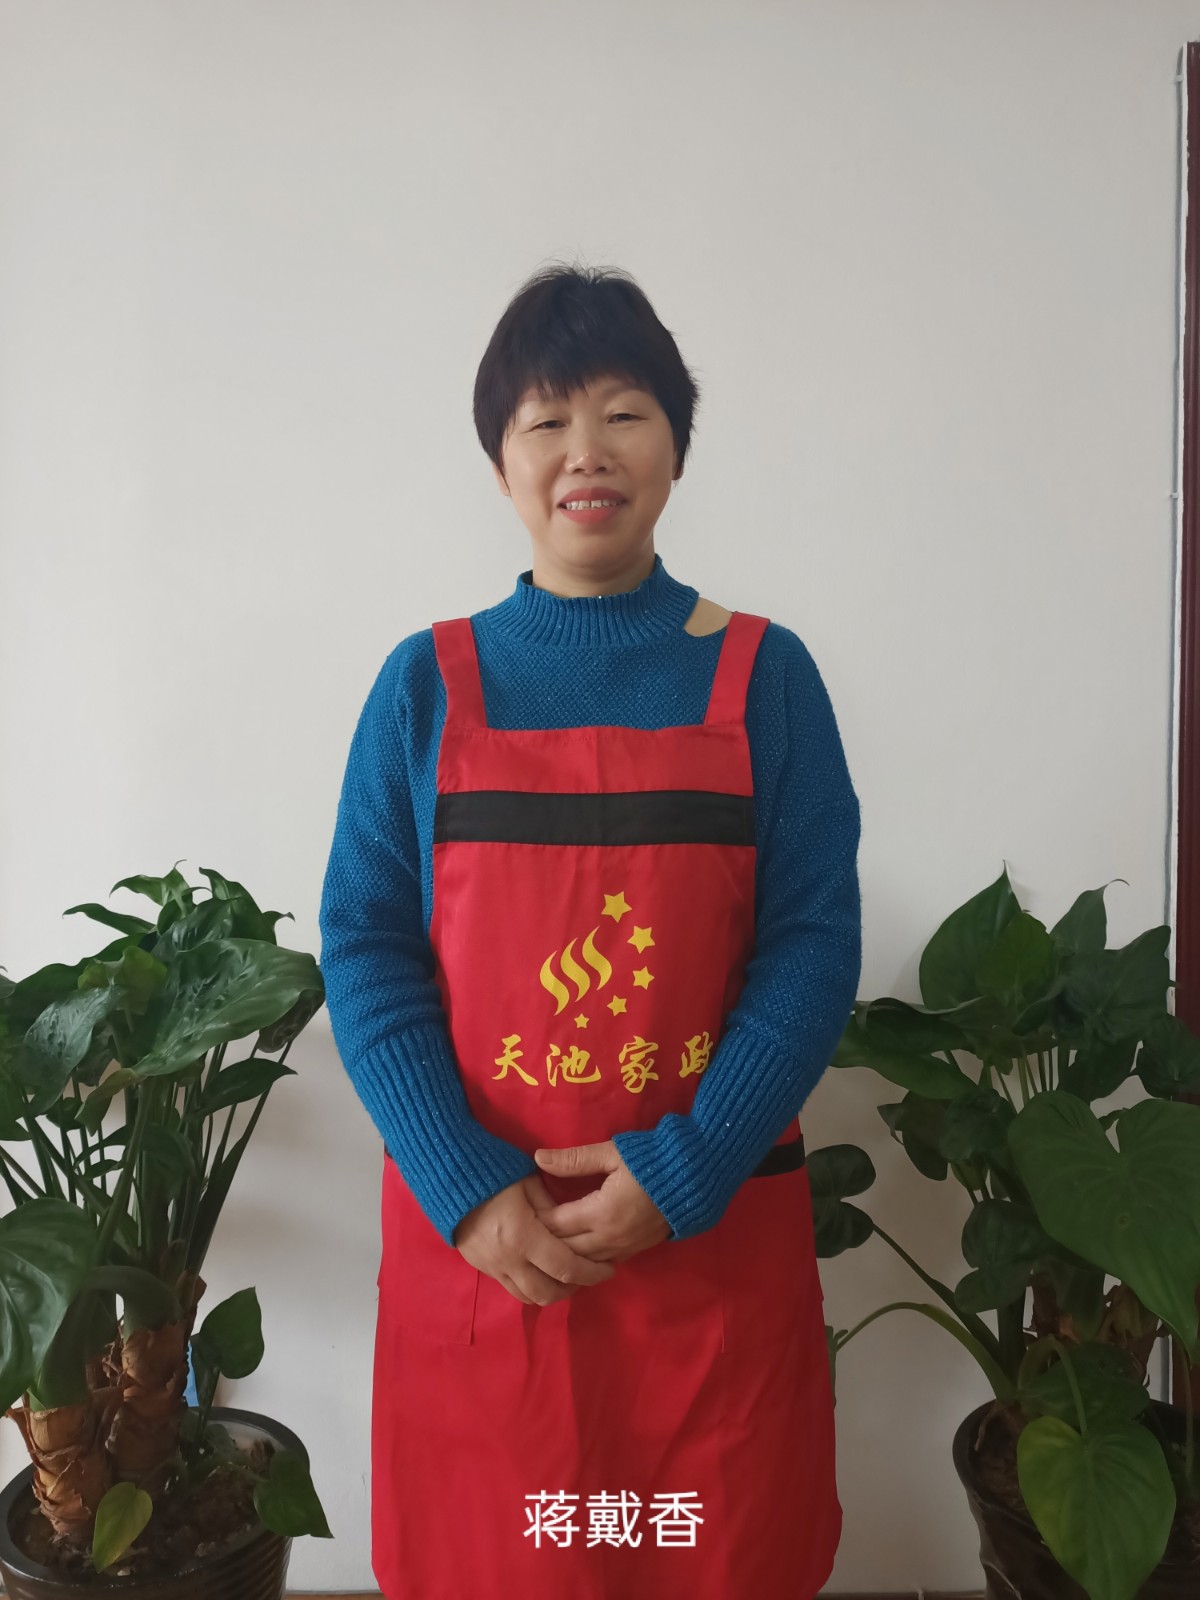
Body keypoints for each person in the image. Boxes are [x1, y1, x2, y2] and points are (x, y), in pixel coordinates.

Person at [318, 262, 862, 1600]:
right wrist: (464, 1184)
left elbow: (811, 946)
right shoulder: (424, 686)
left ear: (676, 446)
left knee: (710, 1557)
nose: (586, 452)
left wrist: (689, 1169)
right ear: (500, 460)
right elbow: (367, 949)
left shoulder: (766, 677)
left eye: (624, 413)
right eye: (546, 420)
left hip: (707, 1248)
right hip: (489, 1261)